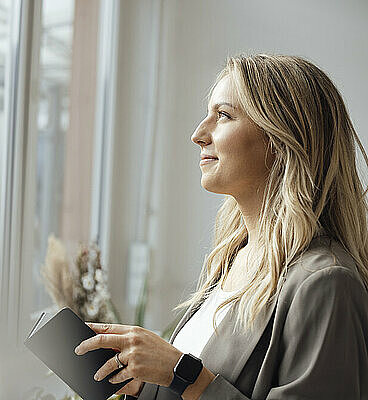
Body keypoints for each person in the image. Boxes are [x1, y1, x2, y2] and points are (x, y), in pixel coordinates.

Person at [73, 54, 368, 399]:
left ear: (280, 139)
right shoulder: (233, 259)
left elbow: (197, 384)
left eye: (224, 115)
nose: (199, 135)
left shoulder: (326, 283)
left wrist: (180, 372)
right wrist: (148, 384)